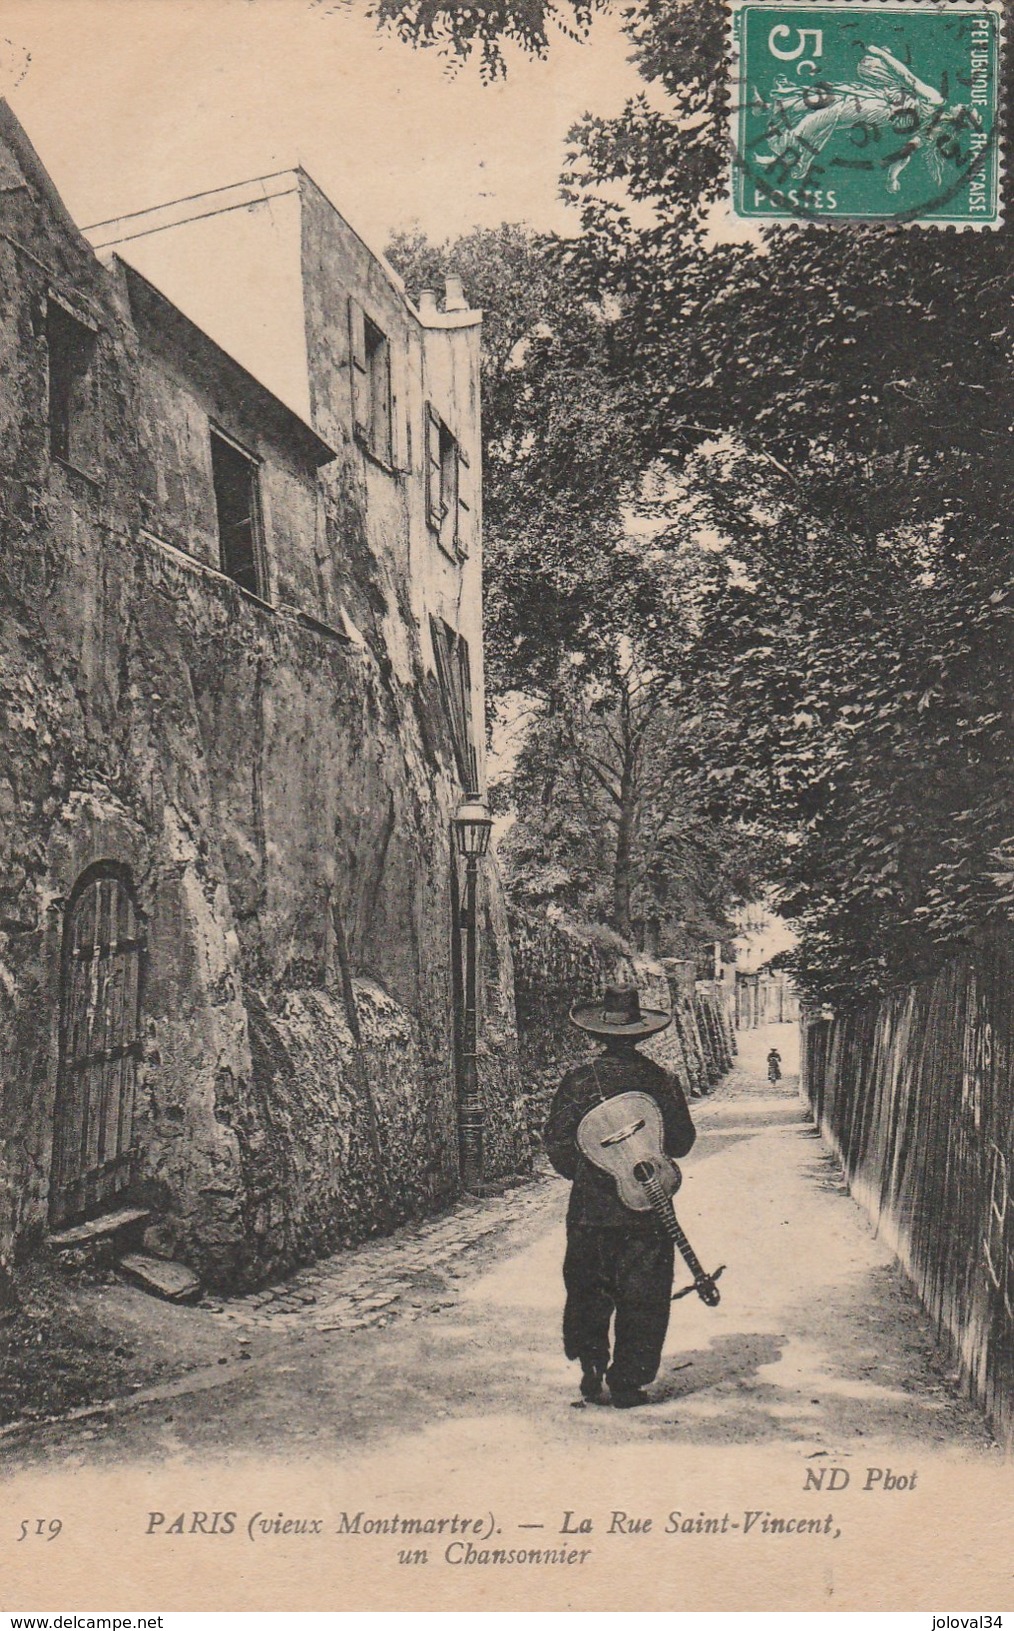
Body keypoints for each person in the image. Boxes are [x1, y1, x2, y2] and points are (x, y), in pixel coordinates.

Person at [543, 982, 697, 1409]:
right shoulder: (661, 1081)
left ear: (598, 1035)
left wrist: (593, 1175)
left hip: (591, 1208)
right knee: (644, 1293)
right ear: (642, 1035)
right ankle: (629, 1381)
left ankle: (591, 1364)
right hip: (647, 1207)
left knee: (588, 1289)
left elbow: (557, 1144)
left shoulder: (576, 1082)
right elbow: (682, 1142)